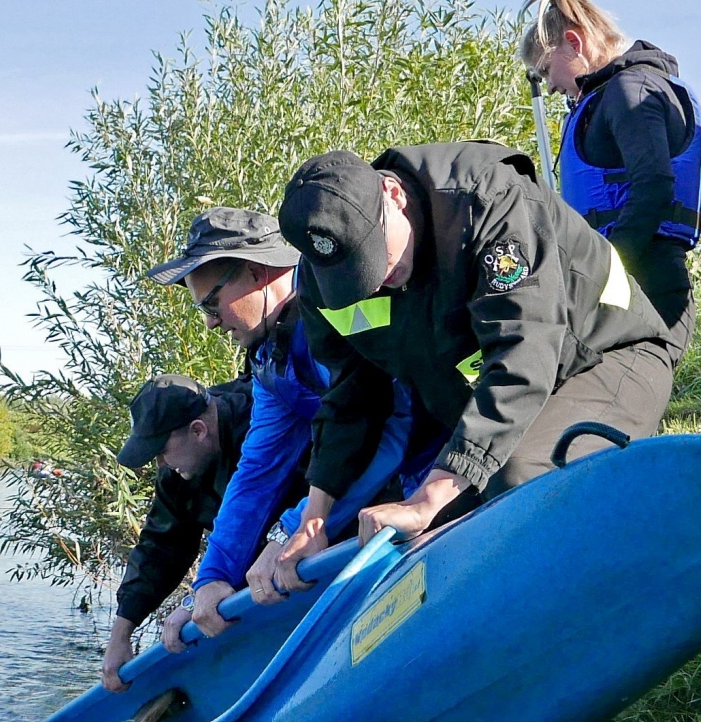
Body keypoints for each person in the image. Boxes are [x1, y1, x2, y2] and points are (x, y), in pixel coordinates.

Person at [276, 142, 672, 549]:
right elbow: (350, 397)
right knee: (429, 538)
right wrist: (313, 520)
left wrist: (430, 497)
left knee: (519, 478)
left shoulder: (485, 199)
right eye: (354, 275)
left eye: (376, 258)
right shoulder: (325, 281)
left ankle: (647, 555)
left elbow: (523, 354)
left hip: (608, 355)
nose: (373, 282)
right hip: (503, 408)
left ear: (393, 196)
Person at [146, 207, 414, 629]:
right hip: (373, 502)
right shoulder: (270, 359)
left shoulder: (336, 311)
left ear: (256, 273)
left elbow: (392, 428)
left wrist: (293, 531)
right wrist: (213, 577)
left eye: (212, 304)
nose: (211, 323)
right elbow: (257, 471)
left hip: (442, 473)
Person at [519, 0, 701, 367]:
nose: (551, 86)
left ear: (574, 43)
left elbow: (653, 184)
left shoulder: (630, 91)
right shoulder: (613, 93)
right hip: (636, 277)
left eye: (546, 69)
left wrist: (605, 271)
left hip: (646, 281)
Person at [103, 373, 298, 692]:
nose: (160, 465)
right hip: (254, 583)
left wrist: (198, 598)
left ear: (198, 430)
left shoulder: (269, 420)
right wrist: (121, 634)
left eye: (162, 452)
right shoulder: (179, 471)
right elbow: (161, 546)